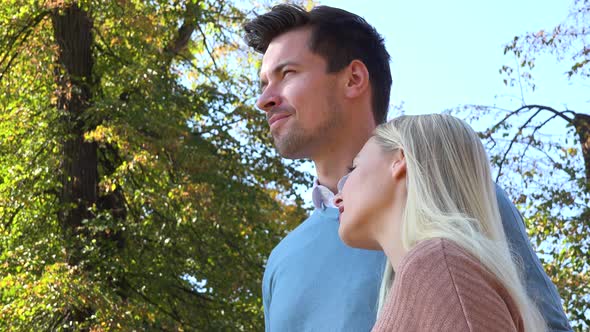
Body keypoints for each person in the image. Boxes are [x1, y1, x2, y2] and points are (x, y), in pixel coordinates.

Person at [243, 4, 571, 331]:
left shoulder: (447, 199)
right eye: (263, 83)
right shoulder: (282, 262)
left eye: (287, 74)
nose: (264, 100)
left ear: (353, 79)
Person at [334, 114, 546, 331]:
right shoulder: (435, 271)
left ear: (399, 161)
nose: (337, 197)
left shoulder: (438, 265)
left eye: (354, 168)